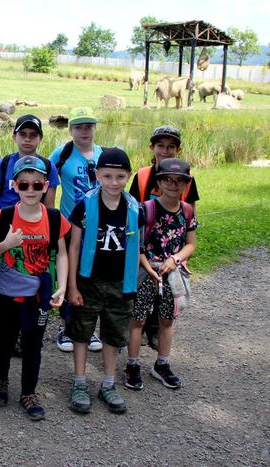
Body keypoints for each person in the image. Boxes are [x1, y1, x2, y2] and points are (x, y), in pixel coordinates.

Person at [0, 156, 70, 421]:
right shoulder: (4, 216)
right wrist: (5, 245)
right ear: (14, 186)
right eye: (24, 184)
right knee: (4, 340)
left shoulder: (54, 218)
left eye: (36, 184)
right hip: (6, 294)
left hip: (37, 296)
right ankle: (0, 380)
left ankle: (29, 392)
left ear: (46, 186)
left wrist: (63, 286)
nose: (30, 190)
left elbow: (62, 254)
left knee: (33, 344)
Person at [66, 148, 143, 415]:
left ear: (128, 176)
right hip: (88, 281)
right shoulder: (85, 205)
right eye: (107, 176)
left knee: (114, 335)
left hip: (120, 283)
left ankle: (108, 383)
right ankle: (79, 381)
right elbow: (74, 246)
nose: (113, 182)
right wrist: (72, 286)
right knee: (81, 332)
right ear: (97, 175)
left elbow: (137, 247)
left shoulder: (135, 208)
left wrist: (134, 282)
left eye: (120, 177)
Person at [125, 158, 197, 391]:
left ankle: (162, 364)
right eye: (168, 180)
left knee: (167, 320)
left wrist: (175, 259)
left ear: (186, 184)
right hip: (145, 271)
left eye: (179, 181)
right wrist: (147, 267)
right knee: (138, 319)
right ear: (159, 182)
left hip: (171, 272)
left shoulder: (187, 211)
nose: (173, 185)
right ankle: (132, 365)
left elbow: (190, 244)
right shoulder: (146, 209)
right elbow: (136, 244)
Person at [128, 125, 200, 349]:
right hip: (145, 244)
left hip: (173, 248)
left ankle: (155, 329)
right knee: (142, 291)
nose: (165, 151)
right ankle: (138, 329)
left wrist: (180, 255)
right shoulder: (142, 176)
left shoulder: (187, 177)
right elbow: (132, 207)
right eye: (161, 146)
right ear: (152, 147)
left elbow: (191, 212)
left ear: (178, 150)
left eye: (171, 147)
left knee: (165, 296)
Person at [49, 107, 104, 353]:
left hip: (98, 226)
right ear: (70, 129)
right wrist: (50, 217)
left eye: (88, 126)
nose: (84, 131)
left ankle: (89, 328)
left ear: (95, 128)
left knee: (92, 276)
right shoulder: (61, 154)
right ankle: (66, 326)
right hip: (69, 225)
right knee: (68, 274)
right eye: (79, 127)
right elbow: (48, 183)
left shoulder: (104, 154)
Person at [0, 115, 60, 212]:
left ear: (40, 139)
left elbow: (49, 206)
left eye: (33, 135)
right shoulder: (4, 163)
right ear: (14, 137)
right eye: (22, 134)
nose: (27, 139)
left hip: (35, 219)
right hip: (4, 219)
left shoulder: (48, 167)